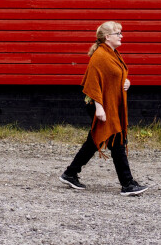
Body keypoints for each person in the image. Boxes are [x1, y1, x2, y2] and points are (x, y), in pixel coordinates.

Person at [59, 21, 149, 196]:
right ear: (108, 37)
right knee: (117, 141)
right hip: (101, 106)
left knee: (95, 140)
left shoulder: (112, 54)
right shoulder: (100, 56)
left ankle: (70, 173)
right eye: (118, 33)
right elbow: (93, 84)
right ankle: (127, 184)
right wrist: (99, 108)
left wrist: (126, 82)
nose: (121, 36)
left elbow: (115, 75)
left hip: (110, 104)